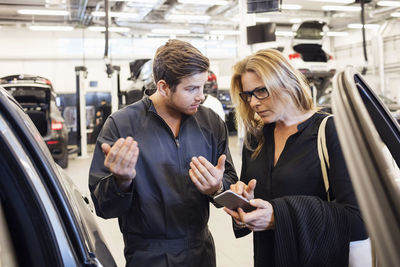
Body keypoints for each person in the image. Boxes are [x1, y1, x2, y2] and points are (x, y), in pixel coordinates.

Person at [89, 39, 238, 267]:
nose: (201, 96)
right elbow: (103, 207)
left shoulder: (211, 123)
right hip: (147, 256)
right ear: (163, 87)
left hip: (200, 252)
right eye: (191, 89)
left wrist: (217, 188)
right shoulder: (121, 125)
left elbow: (230, 181)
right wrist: (121, 182)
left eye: (203, 87)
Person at [224, 49, 368, 267]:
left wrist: (279, 216)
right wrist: (244, 205)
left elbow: (357, 220)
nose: (253, 102)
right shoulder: (256, 139)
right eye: (248, 95)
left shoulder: (330, 130)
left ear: (287, 83)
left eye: (261, 91)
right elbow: (253, 200)